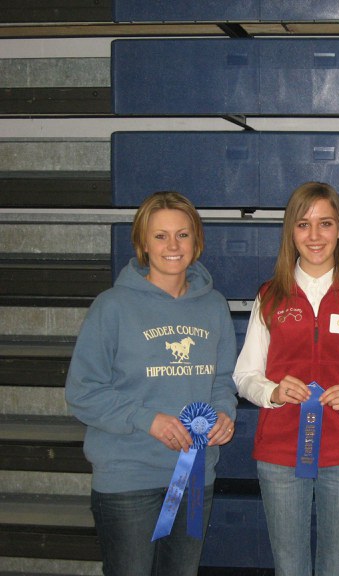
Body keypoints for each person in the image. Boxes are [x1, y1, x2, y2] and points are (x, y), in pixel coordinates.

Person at [65, 191, 238, 576]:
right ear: (143, 243)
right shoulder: (112, 307)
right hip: (128, 479)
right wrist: (148, 420)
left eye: (182, 235)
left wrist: (224, 413)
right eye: (160, 236)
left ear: (197, 241)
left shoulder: (214, 307)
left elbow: (222, 381)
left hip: (194, 477)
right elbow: (83, 393)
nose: (172, 246)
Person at [233, 181, 339, 576]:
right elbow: (245, 374)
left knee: (336, 566)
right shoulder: (270, 296)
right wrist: (273, 391)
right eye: (303, 225)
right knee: (289, 567)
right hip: (281, 454)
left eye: (325, 224)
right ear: (291, 233)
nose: (314, 236)